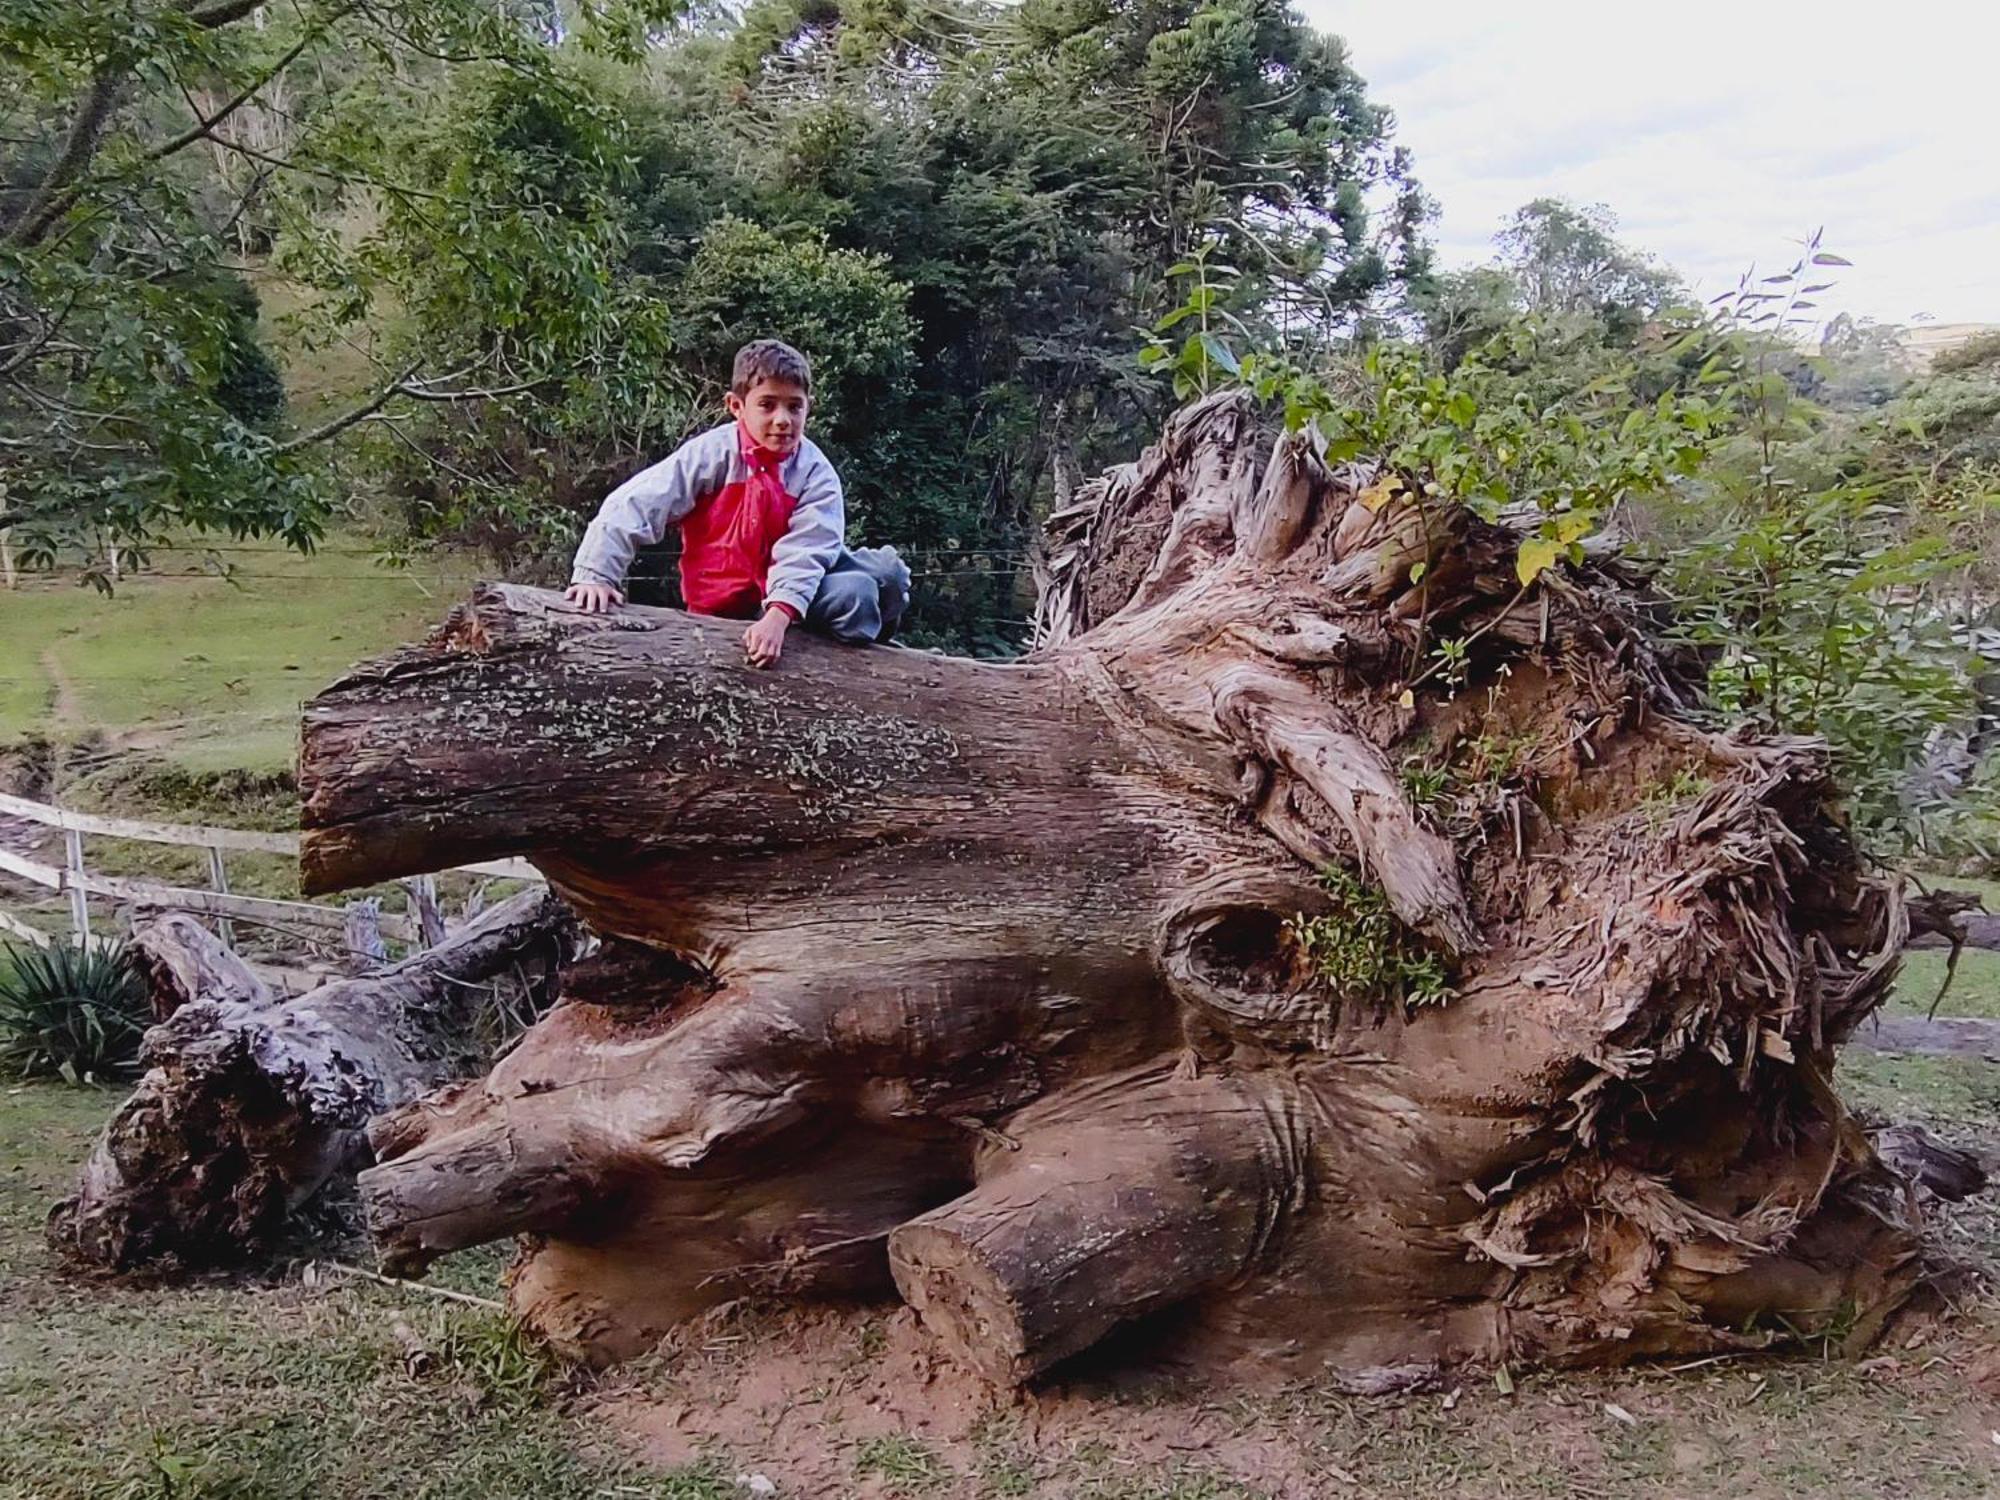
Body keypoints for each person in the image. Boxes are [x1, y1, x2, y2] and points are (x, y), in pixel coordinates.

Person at [565, 339, 909, 667]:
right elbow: (636, 504)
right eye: (767, 405)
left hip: (789, 591)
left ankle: (870, 649)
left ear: (809, 407)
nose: (782, 420)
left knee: (887, 574)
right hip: (727, 602)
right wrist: (596, 574)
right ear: (736, 406)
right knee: (859, 593)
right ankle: (843, 632)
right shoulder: (712, 454)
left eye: (794, 406)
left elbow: (808, 549)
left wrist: (778, 617)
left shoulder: (815, 472)